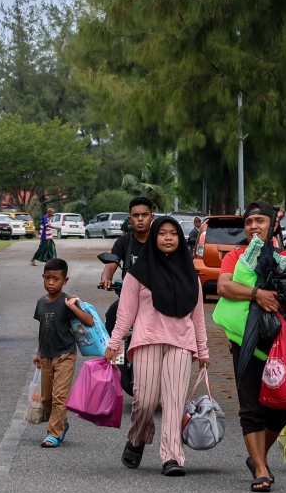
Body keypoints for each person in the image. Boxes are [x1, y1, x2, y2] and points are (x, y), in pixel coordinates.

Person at [213, 201, 286, 491]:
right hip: (245, 341)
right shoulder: (236, 257)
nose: (253, 226)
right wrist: (256, 293)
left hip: (282, 344)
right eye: (248, 222)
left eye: (260, 220)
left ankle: (259, 456)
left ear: (274, 224)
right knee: (251, 405)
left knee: (282, 410)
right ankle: (260, 467)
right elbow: (224, 287)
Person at [106, 217, 210, 476]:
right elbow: (125, 314)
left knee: (174, 403)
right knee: (145, 401)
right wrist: (114, 343)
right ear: (153, 238)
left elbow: (197, 318)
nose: (167, 238)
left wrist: (204, 351)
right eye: (162, 233)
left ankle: (172, 457)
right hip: (147, 341)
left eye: (173, 233)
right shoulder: (137, 275)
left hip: (181, 344)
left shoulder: (191, 277)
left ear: (180, 239)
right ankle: (138, 437)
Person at [33, 258, 95, 448]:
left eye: (56, 279)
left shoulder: (67, 302)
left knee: (60, 396)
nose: (51, 283)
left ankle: (54, 433)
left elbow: (89, 321)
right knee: (47, 399)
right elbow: (43, 329)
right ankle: (62, 423)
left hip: (65, 355)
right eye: (47, 278)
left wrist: (73, 307)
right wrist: (38, 352)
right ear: (43, 277)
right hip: (46, 356)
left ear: (65, 280)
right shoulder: (41, 303)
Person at [100, 197, 155, 334]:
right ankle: (113, 353)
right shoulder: (123, 242)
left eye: (144, 215)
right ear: (130, 219)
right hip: (129, 299)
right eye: (136, 215)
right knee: (112, 314)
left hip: (156, 299)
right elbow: (111, 264)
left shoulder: (160, 241)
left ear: (152, 217)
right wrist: (106, 278)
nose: (140, 219)